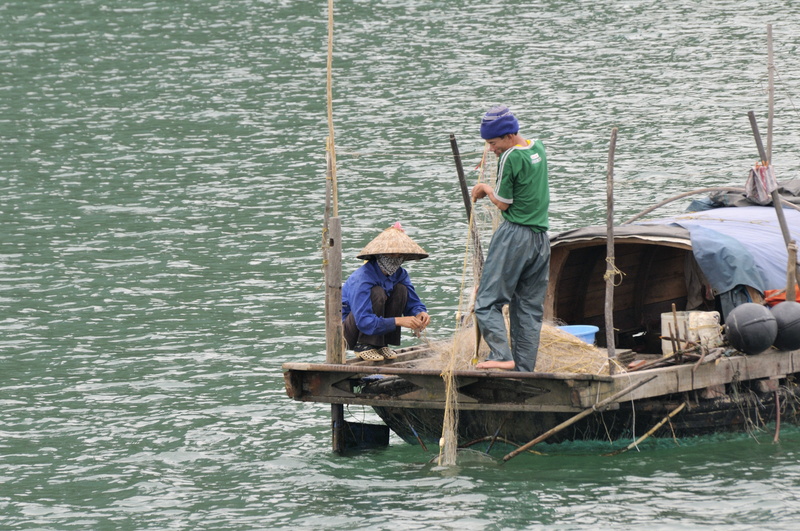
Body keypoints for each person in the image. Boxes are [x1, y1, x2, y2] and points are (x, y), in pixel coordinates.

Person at [471, 105, 550, 372]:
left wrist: (484, 188)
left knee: (487, 301)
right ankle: (524, 367)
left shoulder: (511, 157)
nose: (492, 149)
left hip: (515, 235)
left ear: (507, 136)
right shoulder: (537, 148)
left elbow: (504, 203)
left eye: (493, 143)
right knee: (528, 307)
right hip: (541, 239)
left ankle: (501, 355)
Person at [342, 223, 431, 361]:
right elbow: (363, 320)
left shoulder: (400, 274)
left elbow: (413, 303)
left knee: (401, 289)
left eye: (399, 255)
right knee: (377, 292)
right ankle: (364, 345)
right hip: (351, 330)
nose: (395, 258)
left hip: (375, 328)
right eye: (391, 254)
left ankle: (381, 344)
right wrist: (399, 320)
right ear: (380, 255)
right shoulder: (362, 278)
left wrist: (419, 313)